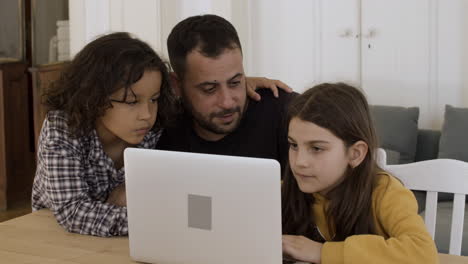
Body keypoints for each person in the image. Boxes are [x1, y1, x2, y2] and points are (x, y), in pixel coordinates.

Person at [31, 31, 290, 237]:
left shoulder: (157, 120)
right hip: (51, 236)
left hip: (128, 239)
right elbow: (72, 212)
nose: (147, 113)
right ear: (93, 98)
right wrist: (160, 219)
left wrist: (244, 83)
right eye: (132, 102)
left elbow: (196, 98)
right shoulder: (62, 130)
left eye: (154, 99)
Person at [281, 83, 438, 263]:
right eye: (294, 145)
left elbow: (424, 254)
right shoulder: (282, 190)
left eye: (316, 148)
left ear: (355, 154)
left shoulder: (385, 192)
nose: (299, 162)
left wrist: (321, 252)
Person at [156, 14, 295, 174]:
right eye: (209, 89)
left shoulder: (287, 114)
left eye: (235, 82)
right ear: (176, 85)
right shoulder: (160, 126)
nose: (227, 102)